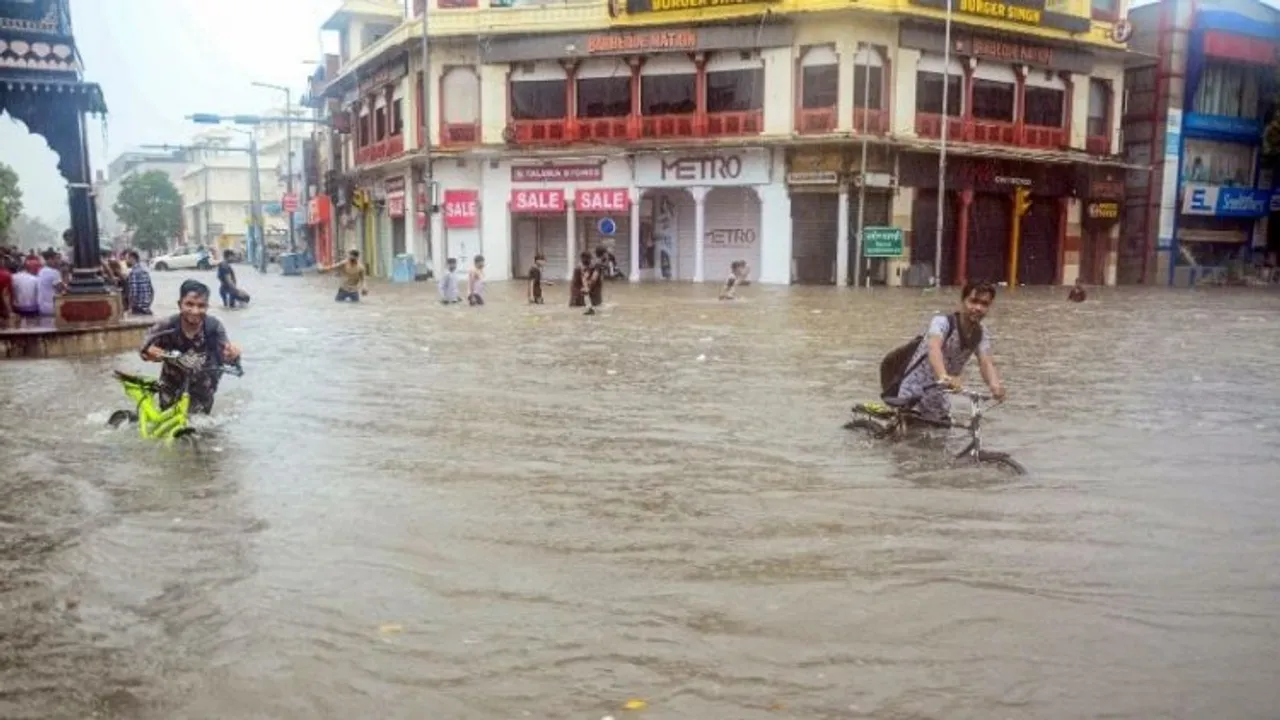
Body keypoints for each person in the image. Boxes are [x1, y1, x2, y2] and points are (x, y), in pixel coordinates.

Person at [890, 280, 1005, 424]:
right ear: (963, 301)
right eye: (973, 301)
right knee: (905, 441)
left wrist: (995, 386)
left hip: (940, 395)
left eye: (984, 304)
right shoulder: (942, 322)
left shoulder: (981, 334)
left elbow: (985, 361)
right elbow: (934, 348)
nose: (978, 308)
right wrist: (944, 376)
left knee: (942, 439)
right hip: (914, 392)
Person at [138, 280, 241, 415]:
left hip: (203, 391)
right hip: (171, 388)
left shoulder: (214, 327)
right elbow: (143, 347)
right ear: (179, 304)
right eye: (189, 304)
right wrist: (150, 353)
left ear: (207, 306)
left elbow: (228, 358)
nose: (195, 311)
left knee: (203, 431)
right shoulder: (166, 325)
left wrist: (233, 355)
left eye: (201, 306)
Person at [125, 250, 154, 315]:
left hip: (138, 308)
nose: (126, 261)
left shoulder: (133, 273)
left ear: (132, 259)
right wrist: (148, 304)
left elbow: (133, 293)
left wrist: (130, 308)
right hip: (147, 307)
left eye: (127, 259)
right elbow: (152, 291)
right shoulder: (145, 271)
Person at [36, 250, 64, 317]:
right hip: (52, 306)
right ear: (49, 259)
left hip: (41, 306)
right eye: (56, 258)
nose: (58, 261)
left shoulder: (41, 271)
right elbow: (61, 289)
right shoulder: (54, 272)